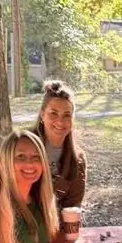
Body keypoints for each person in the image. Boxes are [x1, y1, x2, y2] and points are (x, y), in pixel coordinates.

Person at [1, 130, 60, 243]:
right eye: (20, 157)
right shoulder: (1, 206)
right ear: (6, 161)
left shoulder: (40, 200)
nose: (30, 164)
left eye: (36, 157)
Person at [32, 79, 86, 212]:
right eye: (53, 113)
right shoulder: (23, 145)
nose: (60, 121)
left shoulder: (77, 158)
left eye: (67, 115)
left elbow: (73, 206)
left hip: (58, 227)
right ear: (42, 114)